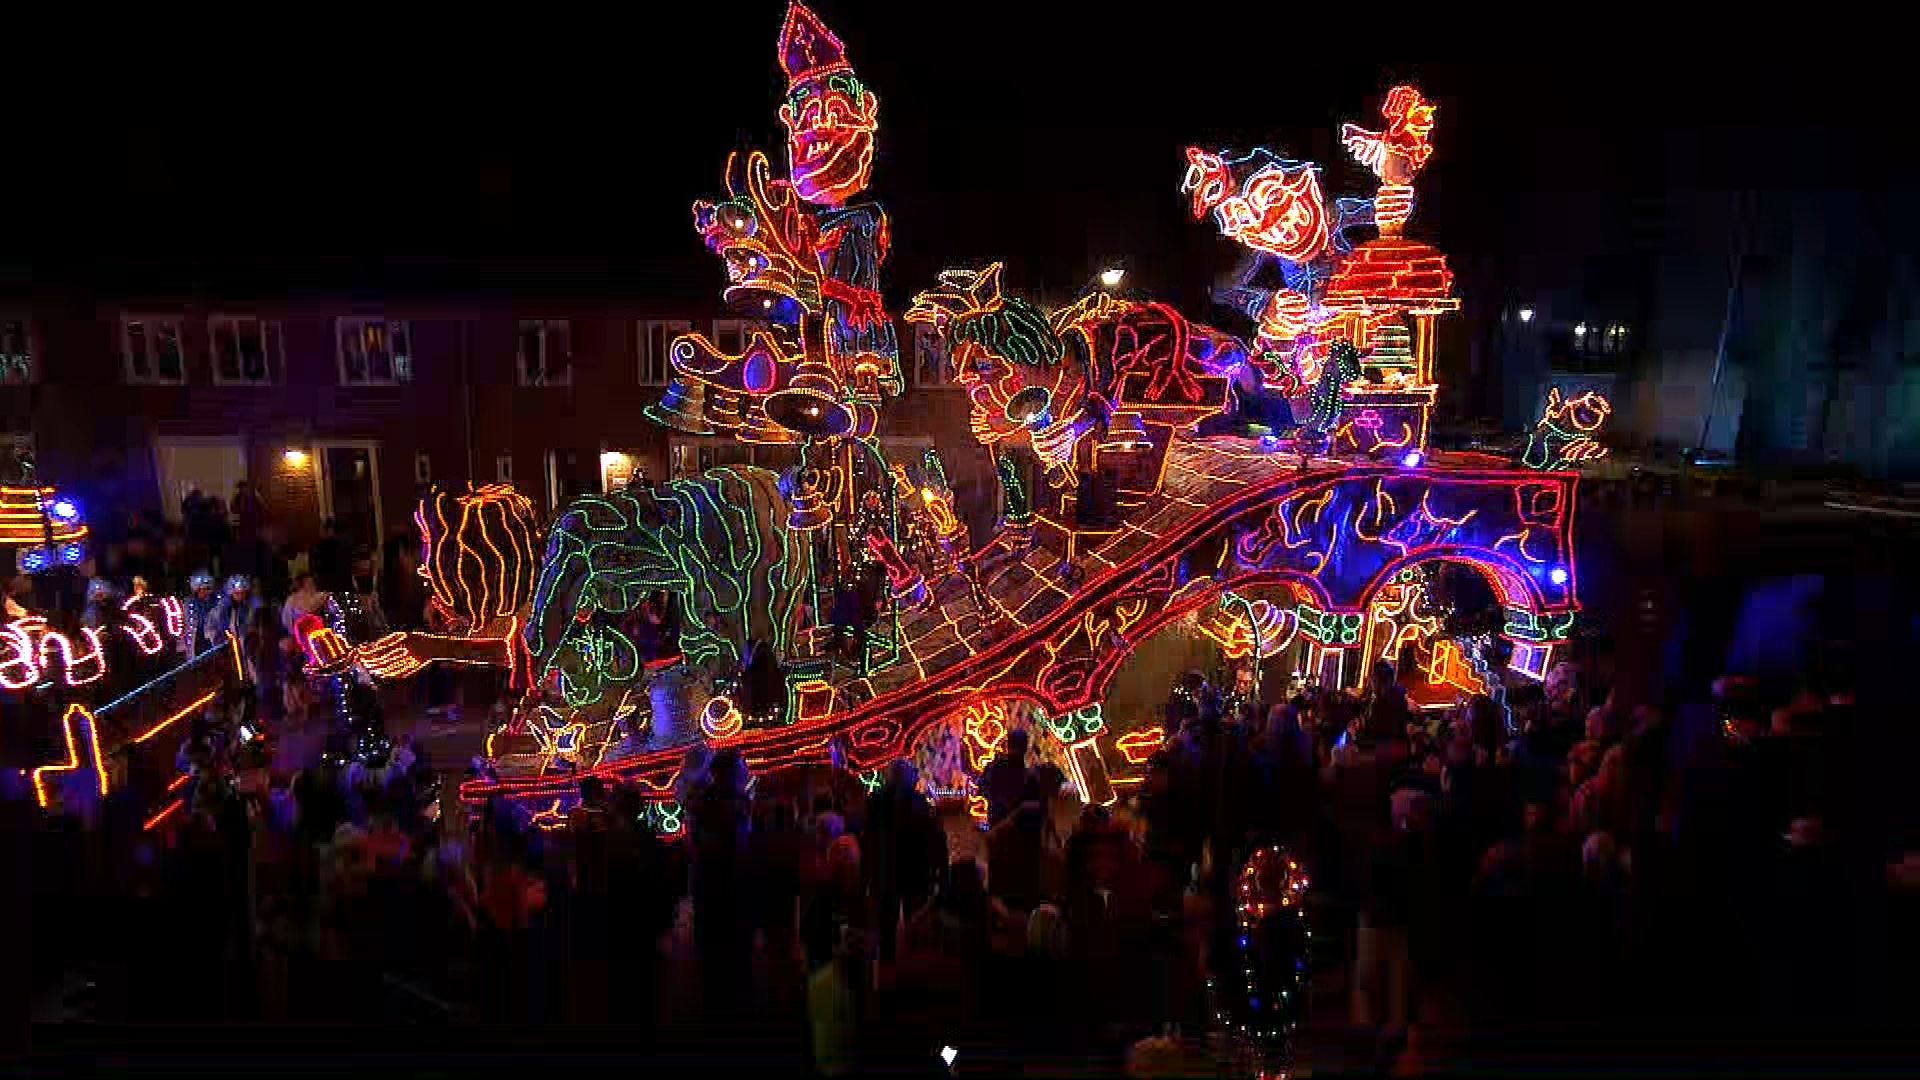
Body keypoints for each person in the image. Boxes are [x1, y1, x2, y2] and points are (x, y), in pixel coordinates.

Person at [981, 727, 1031, 828]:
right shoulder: (1025, 772)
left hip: (997, 822)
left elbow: (982, 789)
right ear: (1025, 747)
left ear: (1008, 745)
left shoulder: (993, 765)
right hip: (1018, 825)